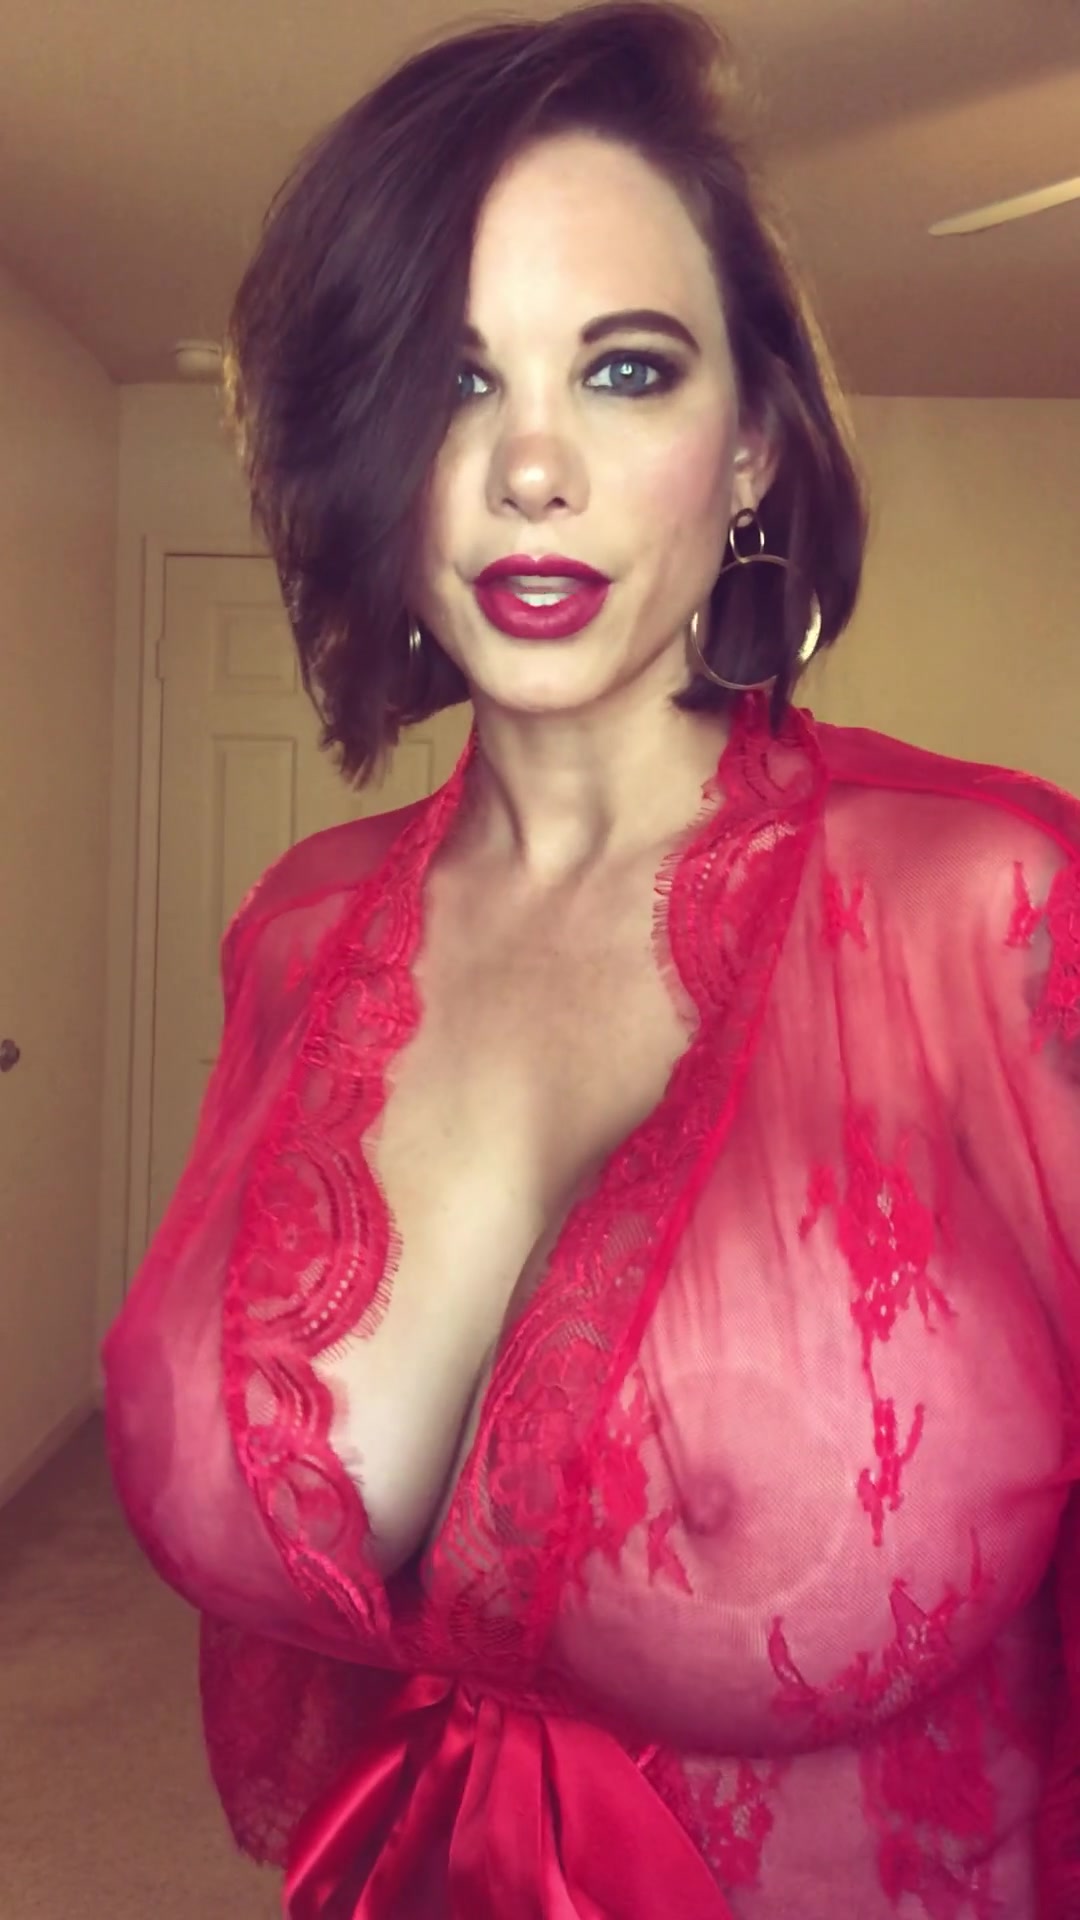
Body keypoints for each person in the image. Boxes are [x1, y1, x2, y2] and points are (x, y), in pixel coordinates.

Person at [102, 4, 1080, 1915]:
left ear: (753, 449)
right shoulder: (298, 935)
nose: (528, 467)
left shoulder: (1001, 908)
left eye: (623, 370)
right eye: (450, 380)